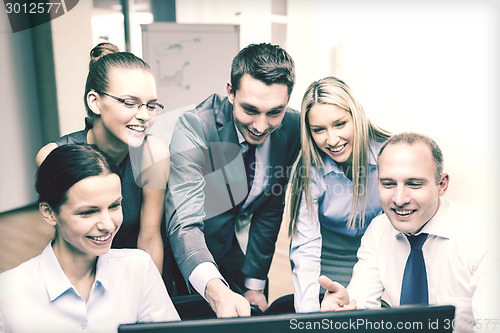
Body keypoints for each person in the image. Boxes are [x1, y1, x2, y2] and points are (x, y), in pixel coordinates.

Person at [165, 42, 300, 317]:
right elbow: (184, 222)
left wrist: (255, 285)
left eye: (274, 112)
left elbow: (270, 208)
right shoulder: (195, 127)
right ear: (230, 91)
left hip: (240, 256)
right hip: (189, 253)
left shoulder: (292, 128)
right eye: (250, 110)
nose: (262, 126)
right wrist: (215, 290)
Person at [320, 133, 499, 333]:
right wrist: (345, 314)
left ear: (442, 184)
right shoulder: (378, 231)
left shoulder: (484, 236)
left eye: (414, 184)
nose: (399, 199)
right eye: (388, 184)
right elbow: (362, 306)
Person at [0, 144, 179, 333]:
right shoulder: (7, 293)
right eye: (88, 212)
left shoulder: (139, 268)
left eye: (114, 206)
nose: (108, 225)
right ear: (49, 212)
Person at [35, 43, 169, 280]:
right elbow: (68, 242)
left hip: (133, 271)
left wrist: (148, 297)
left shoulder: (153, 154)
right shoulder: (53, 156)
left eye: (151, 105)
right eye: (130, 103)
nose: (144, 116)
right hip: (77, 272)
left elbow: (149, 238)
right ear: (95, 102)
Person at [283, 76, 390, 313]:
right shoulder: (308, 169)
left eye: (340, 124)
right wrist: (309, 317)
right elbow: (306, 247)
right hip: (324, 267)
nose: (332, 140)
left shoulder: (388, 154)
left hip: (372, 263)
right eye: (319, 130)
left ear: (356, 116)